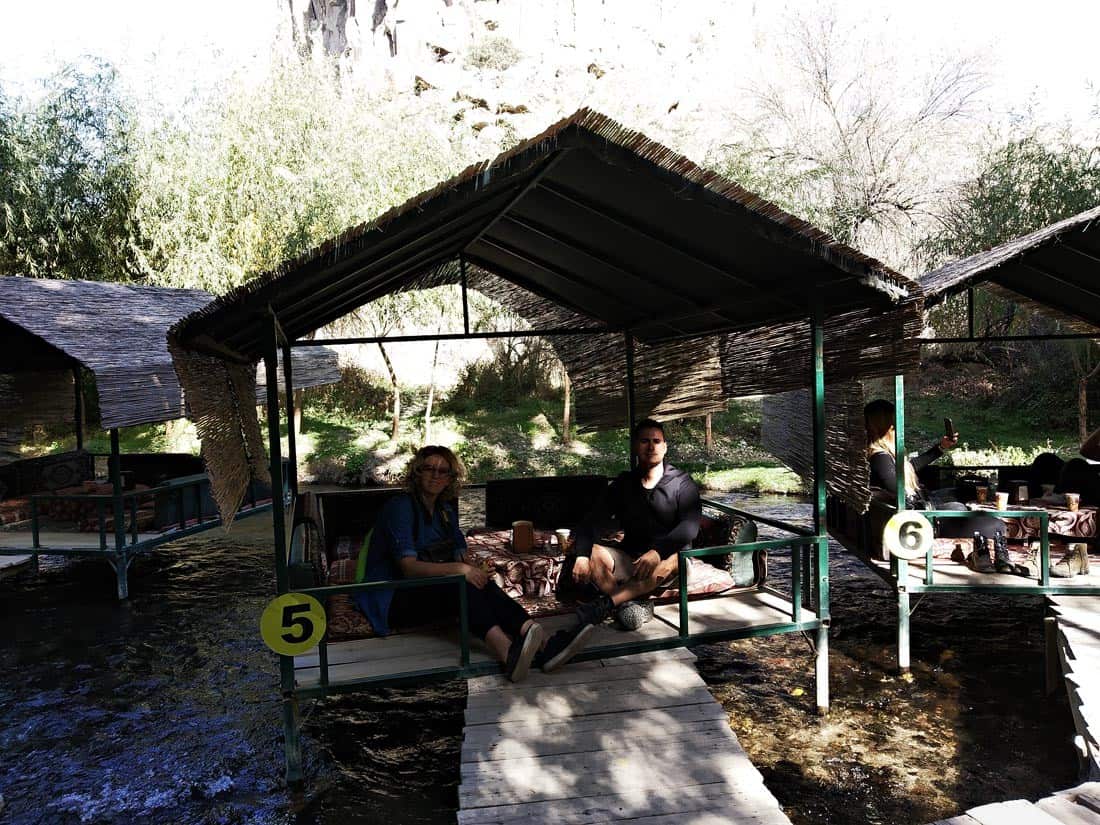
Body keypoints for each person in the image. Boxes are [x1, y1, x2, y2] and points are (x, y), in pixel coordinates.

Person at [354, 446, 546, 682]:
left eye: (443, 471)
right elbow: (409, 568)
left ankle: (534, 634)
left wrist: (473, 567)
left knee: (479, 583)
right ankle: (507, 652)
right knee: (460, 584)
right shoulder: (400, 507)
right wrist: (461, 570)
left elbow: (460, 556)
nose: (436, 475)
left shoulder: (445, 511)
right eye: (429, 469)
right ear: (417, 472)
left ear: (449, 479)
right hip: (392, 595)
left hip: (426, 588)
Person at [541, 418, 702, 668]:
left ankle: (602, 606)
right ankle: (628, 605)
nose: (651, 446)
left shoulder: (682, 483)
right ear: (635, 446)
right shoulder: (624, 484)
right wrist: (582, 555)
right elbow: (591, 520)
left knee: (669, 561)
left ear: (665, 446)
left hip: (673, 560)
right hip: (632, 558)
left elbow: (689, 528)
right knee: (593, 552)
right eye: (645, 441)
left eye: (656, 441)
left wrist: (657, 552)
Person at [864, 399, 1008, 570]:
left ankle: (984, 552)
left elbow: (909, 469)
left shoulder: (883, 455)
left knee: (962, 494)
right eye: (895, 421)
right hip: (921, 523)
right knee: (995, 524)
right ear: (887, 426)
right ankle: (999, 559)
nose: (898, 427)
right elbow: (902, 494)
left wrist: (941, 447)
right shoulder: (880, 458)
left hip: (922, 511)